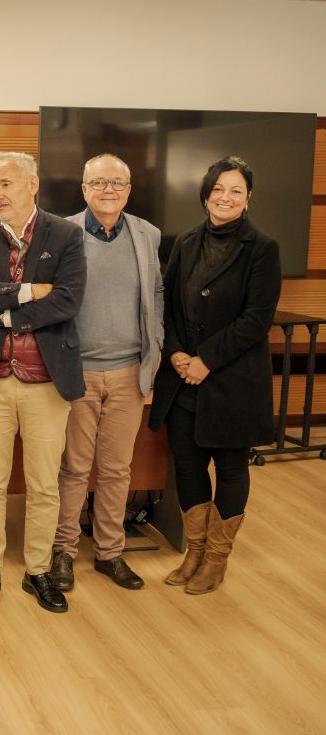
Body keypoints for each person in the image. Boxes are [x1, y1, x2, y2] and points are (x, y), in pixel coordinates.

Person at [0, 151, 86, 615]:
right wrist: (28, 291)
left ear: (33, 183)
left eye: (5, 184)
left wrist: (3, 311)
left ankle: (37, 571)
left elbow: (67, 300)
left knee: (44, 485)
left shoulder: (66, 235)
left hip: (47, 381)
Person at [148, 156, 280, 595]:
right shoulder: (186, 242)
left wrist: (205, 360)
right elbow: (166, 304)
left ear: (248, 199)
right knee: (188, 468)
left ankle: (217, 560)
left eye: (236, 190)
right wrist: (177, 353)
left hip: (232, 382)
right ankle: (195, 551)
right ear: (206, 196)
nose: (226, 197)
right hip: (183, 379)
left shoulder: (262, 248)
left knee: (230, 469)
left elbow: (257, 319)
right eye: (218, 189)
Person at [50, 154, 163, 592]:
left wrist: (155, 349)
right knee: (74, 468)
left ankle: (109, 553)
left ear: (128, 190)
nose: (108, 190)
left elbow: (156, 293)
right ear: (84, 189)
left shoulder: (147, 234)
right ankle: (62, 551)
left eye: (117, 183)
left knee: (117, 469)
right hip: (77, 372)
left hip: (129, 373)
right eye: (99, 183)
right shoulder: (62, 233)